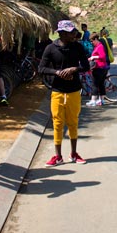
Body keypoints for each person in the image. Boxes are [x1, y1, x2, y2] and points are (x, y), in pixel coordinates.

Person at [38, 20, 91, 166]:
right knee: (57, 123)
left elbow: (86, 66)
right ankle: (58, 156)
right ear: (61, 33)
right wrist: (57, 72)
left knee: (73, 122)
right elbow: (41, 68)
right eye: (71, 32)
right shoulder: (50, 48)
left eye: (74, 31)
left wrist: (74, 69)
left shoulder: (78, 47)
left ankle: (74, 154)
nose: (74, 34)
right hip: (58, 91)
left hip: (74, 90)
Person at [86, 33, 109, 107]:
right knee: (101, 84)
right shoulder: (98, 46)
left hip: (98, 68)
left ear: (96, 39)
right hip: (103, 68)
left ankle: (93, 100)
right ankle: (101, 100)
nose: (91, 43)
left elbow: (102, 56)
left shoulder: (99, 46)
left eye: (92, 41)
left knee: (94, 84)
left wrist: (93, 57)